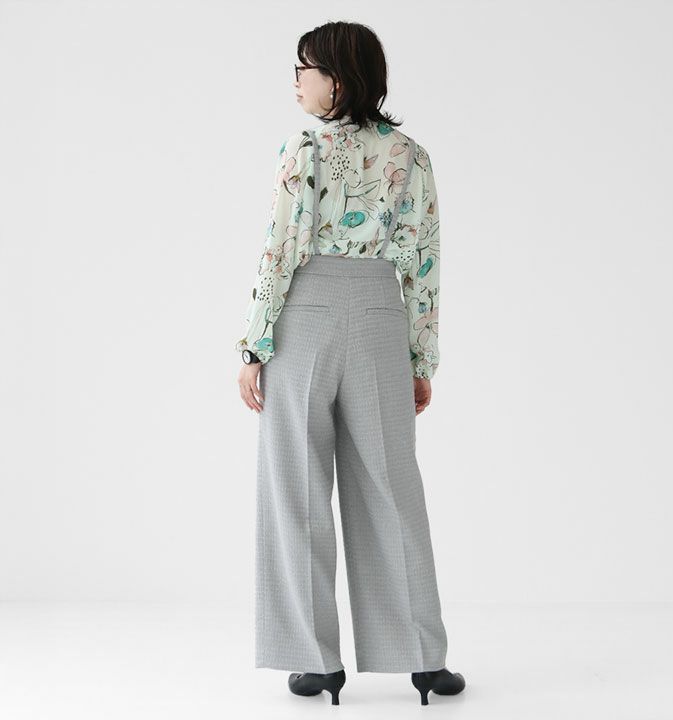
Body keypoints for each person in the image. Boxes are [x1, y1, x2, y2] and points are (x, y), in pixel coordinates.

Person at [235, 21, 465, 706]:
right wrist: (420, 357)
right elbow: (424, 261)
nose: (296, 80)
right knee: (393, 483)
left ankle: (316, 661)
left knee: (296, 487)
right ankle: (423, 658)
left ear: (337, 79)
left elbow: (280, 248)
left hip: (304, 315)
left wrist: (254, 344)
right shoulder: (411, 156)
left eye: (304, 68)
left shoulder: (303, 149)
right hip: (379, 316)